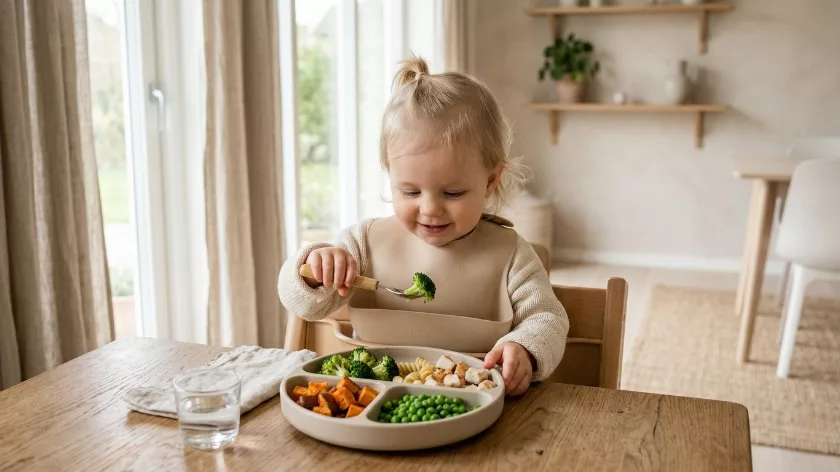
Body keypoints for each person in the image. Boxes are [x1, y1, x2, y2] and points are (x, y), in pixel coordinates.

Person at [278, 55, 569, 397]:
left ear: (490, 181)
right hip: (369, 402)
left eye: (453, 192)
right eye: (410, 191)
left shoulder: (512, 255)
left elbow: (548, 319)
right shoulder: (361, 242)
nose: (430, 209)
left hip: (473, 406)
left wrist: (525, 348)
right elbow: (299, 302)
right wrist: (314, 268)